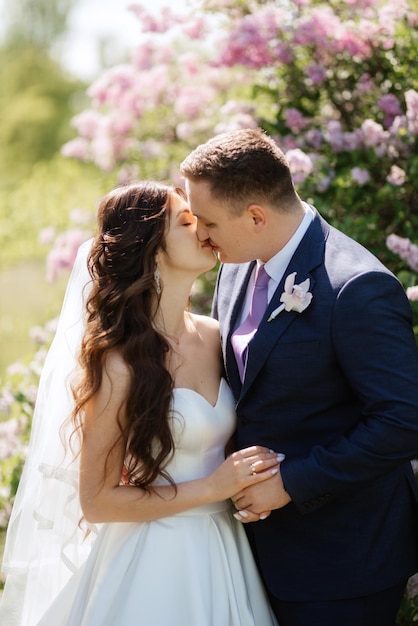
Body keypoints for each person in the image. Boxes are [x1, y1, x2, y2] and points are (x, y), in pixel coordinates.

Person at [0, 181, 280, 626]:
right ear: (151, 251)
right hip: (155, 556)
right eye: (187, 222)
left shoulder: (214, 336)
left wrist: (247, 487)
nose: (205, 230)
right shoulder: (118, 361)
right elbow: (97, 501)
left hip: (227, 549)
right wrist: (212, 488)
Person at [180, 128, 418, 626]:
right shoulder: (238, 265)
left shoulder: (357, 286)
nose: (200, 234)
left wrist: (291, 481)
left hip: (342, 562)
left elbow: (403, 421)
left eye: (208, 221)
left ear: (256, 216)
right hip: (250, 555)